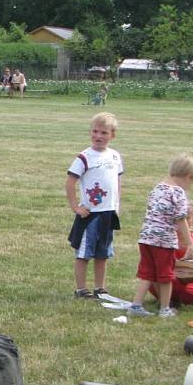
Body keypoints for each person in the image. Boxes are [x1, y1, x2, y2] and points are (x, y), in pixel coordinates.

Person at [128, 154, 193, 318]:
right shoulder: (178, 192)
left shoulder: (157, 188)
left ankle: (136, 305)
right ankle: (164, 309)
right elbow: (180, 219)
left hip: (146, 238)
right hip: (163, 242)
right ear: (188, 176)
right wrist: (189, 243)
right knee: (166, 276)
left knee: (147, 273)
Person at [65, 112, 123, 300]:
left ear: (112, 135)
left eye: (104, 133)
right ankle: (81, 289)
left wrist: (116, 205)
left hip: (108, 214)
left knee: (103, 252)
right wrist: (76, 207)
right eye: (95, 131)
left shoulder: (115, 157)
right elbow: (70, 182)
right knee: (84, 253)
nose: (98, 136)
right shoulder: (84, 157)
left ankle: (100, 288)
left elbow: (117, 182)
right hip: (90, 215)